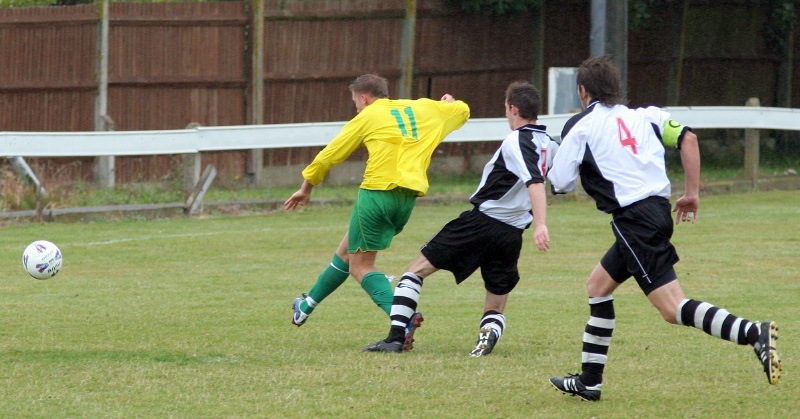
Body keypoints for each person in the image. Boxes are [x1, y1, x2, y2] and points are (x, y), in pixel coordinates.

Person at [546, 56, 781, 401]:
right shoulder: (648, 116)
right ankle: (589, 381)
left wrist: (555, 158)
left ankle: (752, 332)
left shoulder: (580, 126)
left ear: (583, 91)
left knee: (672, 308)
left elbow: (561, 183)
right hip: (657, 211)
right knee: (597, 285)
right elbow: (689, 139)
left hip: (635, 221)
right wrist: (692, 194)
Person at [363, 81, 557, 355]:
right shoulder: (549, 144)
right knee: (497, 297)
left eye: (505, 108)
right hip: (511, 234)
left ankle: (395, 337)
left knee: (414, 271)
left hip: (480, 223)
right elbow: (561, 184)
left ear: (513, 108)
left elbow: (534, 182)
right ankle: (486, 336)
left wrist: (541, 224)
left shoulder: (517, 139)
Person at [284, 74, 470, 344]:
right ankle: (306, 306)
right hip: (406, 201)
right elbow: (463, 110)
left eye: (355, 103)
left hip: (376, 194)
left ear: (364, 98)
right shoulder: (425, 108)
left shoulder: (368, 116)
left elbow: (329, 155)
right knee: (347, 252)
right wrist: (449, 103)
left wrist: (306, 188)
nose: (356, 108)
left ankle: (403, 315)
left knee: (361, 267)